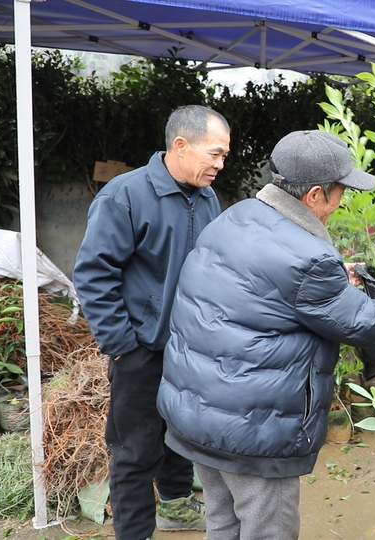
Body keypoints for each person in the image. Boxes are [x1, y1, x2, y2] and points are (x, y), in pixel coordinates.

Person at [156, 130, 375, 540]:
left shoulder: (237, 214)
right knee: (268, 532)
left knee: (223, 524)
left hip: (197, 416)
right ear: (316, 195)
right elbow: (368, 324)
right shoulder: (309, 257)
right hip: (254, 433)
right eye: (340, 192)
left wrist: (338, 281)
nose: (340, 203)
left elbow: (269, 290)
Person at [73, 104, 229, 539]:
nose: (219, 164)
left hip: (190, 349)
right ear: (180, 145)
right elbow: (92, 273)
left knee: (181, 437)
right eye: (214, 154)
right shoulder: (125, 195)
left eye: (223, 156)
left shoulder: (206, 195)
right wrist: (122, 343)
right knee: (135, 452)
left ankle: (176, 508)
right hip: (140, 351)